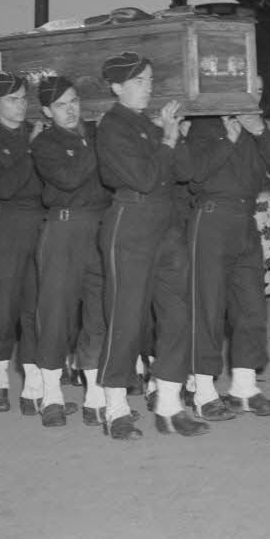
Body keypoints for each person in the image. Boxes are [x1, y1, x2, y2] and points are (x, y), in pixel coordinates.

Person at [95, 51, 205, 439]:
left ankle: (170, 403)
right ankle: (115, 406)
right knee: (126, 317)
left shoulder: (148, 124)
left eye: (150, 81)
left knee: (178, 314)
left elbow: (187, 173)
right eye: (139, 82)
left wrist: (175, 134)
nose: (148, 88)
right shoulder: (112, 127)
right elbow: (142, 178)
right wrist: (168, 140)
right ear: (116, 87)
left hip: (165, 225)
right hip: (131, 224)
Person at [177, 109, 270, 420]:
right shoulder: (204, 123)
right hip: (211, 218)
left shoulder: (258, 127)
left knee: (251, 306)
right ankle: (202, 391)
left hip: (245, 220)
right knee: (208, 306)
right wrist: (228, 140)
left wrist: (260, 131)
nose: (253, 96)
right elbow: (192, 174)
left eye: (257, 90)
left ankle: (244, 387)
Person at [29, 75, 110, 428]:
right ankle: (51, 396)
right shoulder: (45, 143)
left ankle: (95, 395)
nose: (71, 109)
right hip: (63, 229)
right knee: (55, 312)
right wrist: (99, 141)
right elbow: (70, 178)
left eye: (74, 100)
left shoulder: (94, 133)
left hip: (100, 226)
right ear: (47, 110)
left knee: (98, 310)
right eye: (61, 105)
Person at [0, 71, 45, 414]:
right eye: (13, 100)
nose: (21, 105)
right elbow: (4, 187)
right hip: (6, 223)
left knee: (36, 307)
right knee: (2, 306)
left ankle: (32, 388)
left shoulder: (37, 132)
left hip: (40, 223)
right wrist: (31, 151)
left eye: (24, 99)